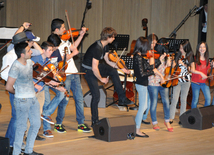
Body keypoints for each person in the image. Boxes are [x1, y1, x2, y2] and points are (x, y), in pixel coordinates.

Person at [42, 18, 91, 133]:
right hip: (65, 74)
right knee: (65, 99)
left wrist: (81, 36)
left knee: (79, 98)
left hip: (73, 71)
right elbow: (61, 58)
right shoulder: (53, 42)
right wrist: (73, 54)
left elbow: (73, 47)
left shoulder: (64, 40)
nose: (66, 30)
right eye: (63, 28)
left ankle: (81, 123)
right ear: (56, 29)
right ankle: (58, 123)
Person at [1, 27, 43, 154]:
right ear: (23, 53)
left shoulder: (29, 63)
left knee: (36, 124)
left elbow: (29, 79)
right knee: (21, 127)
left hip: (32, 99)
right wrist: (19, 92)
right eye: (29, 50)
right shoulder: (15, 65)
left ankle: (28, 150)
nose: (31, 52)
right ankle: (16, 151)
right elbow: (8, 86)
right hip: (22, 99)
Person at [82, 27, 134, 126]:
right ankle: (94, 121)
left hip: (95, 67)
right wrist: (101, 79)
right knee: (96, 95)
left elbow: (107, 60)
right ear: (108, 37)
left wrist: (121, 68)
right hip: (87, 70)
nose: (114, 39)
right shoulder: (97, 48)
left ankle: (122, 98)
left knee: (113, 71)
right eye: (113, 37)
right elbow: (94, 68)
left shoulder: (105, 46)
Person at [133, 37, 164, 137]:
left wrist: (159, 60)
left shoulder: (140, 57)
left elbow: (149, 67)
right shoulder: (137, 57)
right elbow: (142, 74)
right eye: (147, 46)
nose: (148, 48)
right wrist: (152, 72)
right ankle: (137, 129)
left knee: (144, 106)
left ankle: (137, 125)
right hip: (141, 84)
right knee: (143, 107)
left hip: (143, 84)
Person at [147, 38, 173, 132]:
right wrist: (161, 76)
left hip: (163, 82)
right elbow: (153, 69)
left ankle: (167, 120)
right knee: (154, 103)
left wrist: (169, 74)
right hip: (153, 82)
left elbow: (168, 69)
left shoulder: (166, 56)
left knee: (166, 101)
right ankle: (154, 122)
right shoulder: (153, 55)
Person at [170, 40, 194, 125]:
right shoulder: (178, 55)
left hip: (186, 80)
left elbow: (192, 69)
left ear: (186, 48)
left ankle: (182, 117)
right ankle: (171, 117)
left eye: (182, 48)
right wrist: (173, 62)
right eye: (180, 48)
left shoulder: (190, 56)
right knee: (175, 99)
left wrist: (184, 65)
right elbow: (173, 67)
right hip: (177, 79)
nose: (180, 50)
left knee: (183, 100)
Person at [141, 34, 158, 125]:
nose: (154, 45)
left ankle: (144, 116)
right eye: (152, 43)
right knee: (146, 101)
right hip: (145, 78)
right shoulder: (145, 52)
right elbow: (150, 66)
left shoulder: (153, 52)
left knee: (149, 100)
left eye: (155, 43)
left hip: (151, 79)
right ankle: (142, 116)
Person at [191, 42, 211, 109]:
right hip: (195, 82)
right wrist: (201, 73)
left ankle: (204, 114)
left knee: (208, 98)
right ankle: (193, 115)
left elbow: (208, 71)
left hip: (205, 82)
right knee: (195, 100)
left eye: (204, 47)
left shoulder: (207, 59)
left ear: (206, 48)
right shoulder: (194, 58)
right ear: (198, 48)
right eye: (200, 47)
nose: (202, 48)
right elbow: (192, 70)